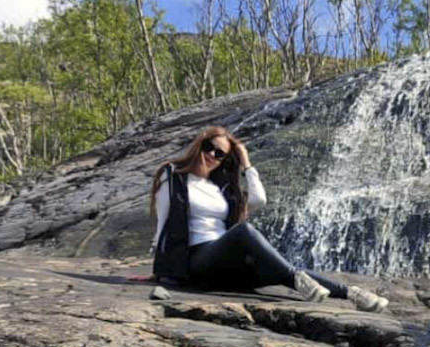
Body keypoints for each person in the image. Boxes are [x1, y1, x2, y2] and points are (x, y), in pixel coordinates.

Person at [149, 125, 389, 312]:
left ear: (225, 160)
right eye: (209, 147)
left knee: (278, 270)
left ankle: (351, 294)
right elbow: (163, 220)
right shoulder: (173, 177)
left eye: (220, 154)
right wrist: (160, 267)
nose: (212, 155)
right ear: (199, 144)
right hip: (196, 260)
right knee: (244, 231)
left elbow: (258, 200)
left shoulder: (221, 188)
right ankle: (298, 280)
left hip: (223, 263)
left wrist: (246, 163)